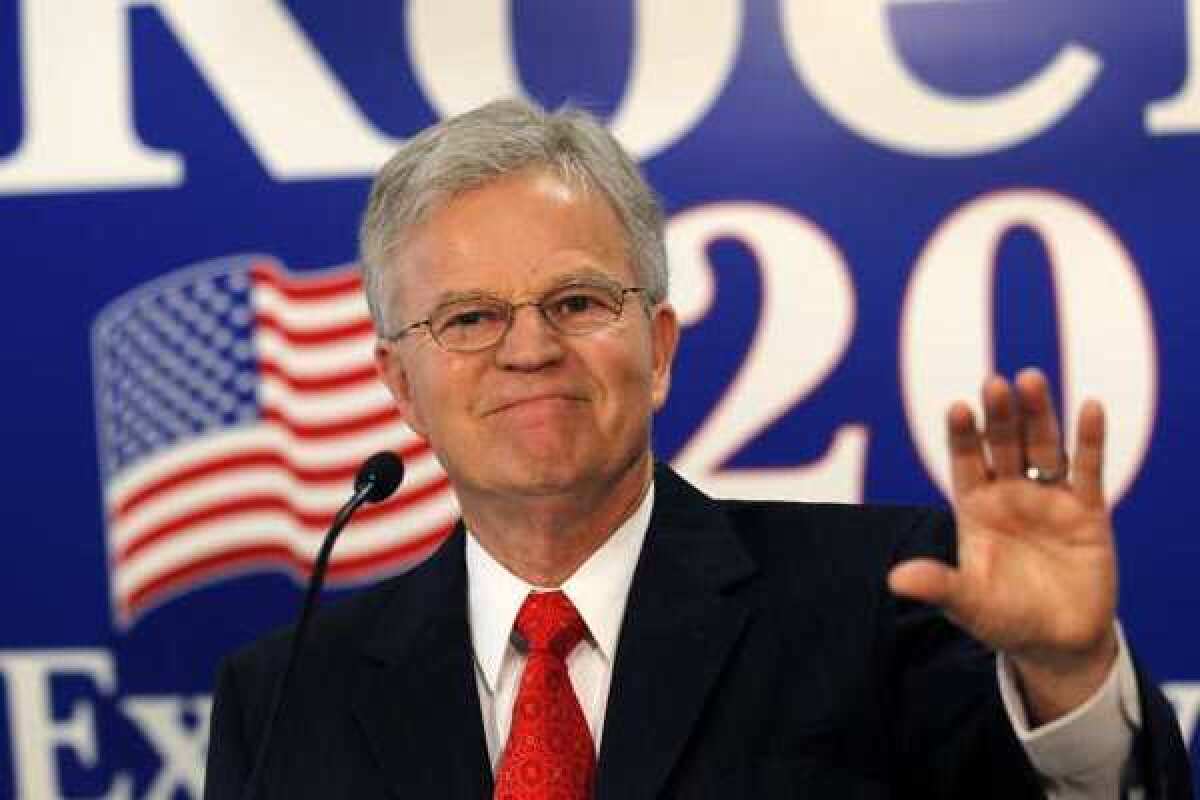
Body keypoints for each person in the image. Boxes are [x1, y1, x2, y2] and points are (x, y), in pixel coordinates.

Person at [203, 98, 1191, 799]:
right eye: (468, 317)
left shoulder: (886, 601)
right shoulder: (288, 694)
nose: (531, 347)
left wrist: (1068, 679)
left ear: (660, 347)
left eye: (578, 301)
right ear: (400, 385)